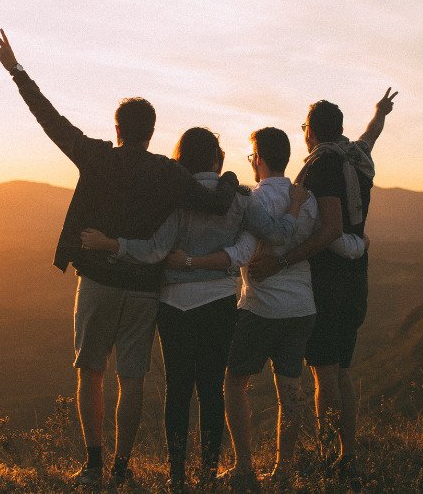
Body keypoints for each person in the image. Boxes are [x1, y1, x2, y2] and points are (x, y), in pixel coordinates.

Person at [0, 29, 243, 487]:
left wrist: (17, 70)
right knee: (133, 379)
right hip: (145, 288)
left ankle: (92, 465)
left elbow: (50, 119)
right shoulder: (168, 172)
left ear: (118, 129)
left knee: (91, 371)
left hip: (99, 282)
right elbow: (217, 204)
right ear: (151, 132)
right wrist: (229, 178)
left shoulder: (96, 157)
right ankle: (123, 468)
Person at [79, 126, 308, 491]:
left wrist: (114, 245)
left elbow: (155, 249)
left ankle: (177, 476)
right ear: (218, 160)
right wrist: (294, 207)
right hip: (218, 303)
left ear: (181, 159)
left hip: (173, 304)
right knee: (212, 390)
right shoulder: (240, 199)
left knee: (179, 389)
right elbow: (279, 234)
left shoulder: (176, 199)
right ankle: (207, 475)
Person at [182, 128, 365, 489]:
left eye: (252, 156)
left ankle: (245, 467)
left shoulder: (254, 201)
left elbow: (248, 249)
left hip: (260, 307)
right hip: (301, 308)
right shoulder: (308, 199)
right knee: (290, 390)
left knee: (234, 383)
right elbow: (330, 240)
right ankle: (284, 469)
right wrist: (360, 245)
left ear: (260, 158)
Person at [249, 90, 397, 486]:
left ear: (311, 132)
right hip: (355, 276)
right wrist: (380, 113)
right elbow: (372, 135)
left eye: (304, 129)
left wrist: (280, 260)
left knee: (325, 374)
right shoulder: (356, 156)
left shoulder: (322, 168)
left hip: (330, 280)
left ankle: (332, 459)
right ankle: (345, 457)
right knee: (341, 371)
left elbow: (330, 227)